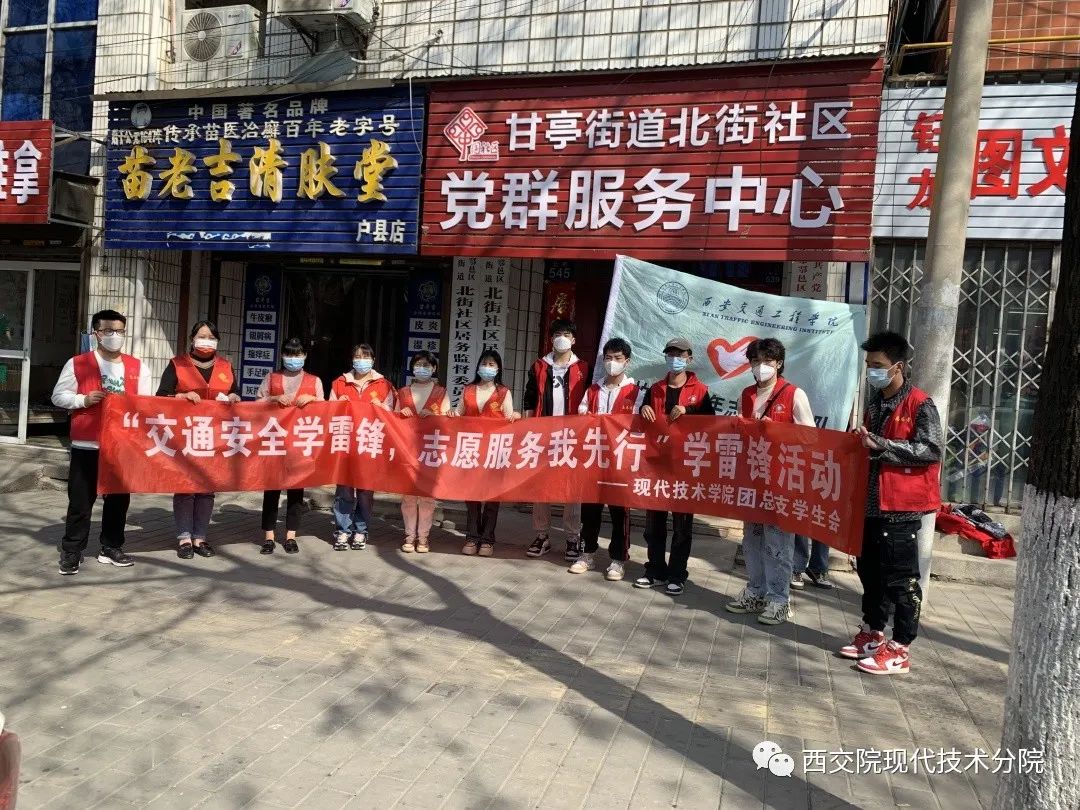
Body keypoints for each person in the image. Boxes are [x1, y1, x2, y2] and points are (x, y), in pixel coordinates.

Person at [841, 331, 942, 675]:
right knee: (871, 574)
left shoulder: (920, 404)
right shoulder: (875, 403)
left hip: (901, 508)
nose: (872, 371)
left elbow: (931, 449)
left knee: (901, 580)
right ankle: (873, 633)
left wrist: (883, 445)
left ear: (898, 367)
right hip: (871, 506)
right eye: (869, 364)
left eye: (878, 365)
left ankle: (900, 649)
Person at [52, 309, 153, 575]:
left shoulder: (138, 367)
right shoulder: (78, 363)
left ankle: (111, 546)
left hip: (122, 446)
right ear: (96, 333)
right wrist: (82, 400)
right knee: (80, 502)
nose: (114, 335)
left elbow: (146, 405)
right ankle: (72, 551)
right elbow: (58, 396)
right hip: (88, 444)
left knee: (118, 501)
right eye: (108, 330)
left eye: (119, 331)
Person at [724, 338, 816, 625]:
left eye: (767, 361)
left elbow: (811, 438)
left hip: (782, 481)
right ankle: (755, 590)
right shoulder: (747, 394)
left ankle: (779, 599)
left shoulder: (793, 394)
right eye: (755, 361)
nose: (761, 366)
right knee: (752, 538)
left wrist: (778, 432)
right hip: (754, 478)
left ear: (779, 363)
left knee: (779, 542)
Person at [636, 337, 714, 596]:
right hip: (657, 465)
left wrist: (689, 411)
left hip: (685, 468)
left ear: (689, 358)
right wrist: (644, 409)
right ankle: (655, 570)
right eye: (670, 354)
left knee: (681, 527)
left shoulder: (700, 390)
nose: (675, 359)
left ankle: (677, 575)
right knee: (653, 524)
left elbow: (711, 425)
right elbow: (643, 417)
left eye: (680, 355)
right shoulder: (655, 388)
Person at [157, 321, 240, 560]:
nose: (206, 340)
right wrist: (180, 396)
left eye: (211, 337)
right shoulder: (177, 364)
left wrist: (234, 397)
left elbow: (233, 392)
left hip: (215, 437)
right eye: (202, 336)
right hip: (185, 436)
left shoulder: (225, 366)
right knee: (185, 487)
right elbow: (160, 396)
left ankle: (200, 537)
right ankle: (184, 538)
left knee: (207, 489)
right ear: (192, 339)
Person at [571, 337, 643, 581]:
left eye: (618, 358)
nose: (613, 363)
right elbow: (581, 416)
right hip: (594, 459)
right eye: (609, 358)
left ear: (627, 361)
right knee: (590, 510)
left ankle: (618, 559)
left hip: (620, 462)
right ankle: (587, 553)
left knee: (619, 513)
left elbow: (637, 425)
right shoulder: (593, 390)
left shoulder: (635, 392)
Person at [522, 319, 589, 560]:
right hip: (544, 436)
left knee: (573, 489)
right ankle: (542, 535)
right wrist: (528, 429)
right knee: (541, 487)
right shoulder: (539, 366)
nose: (562, 338)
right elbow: (529, 398)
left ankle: (572, 537)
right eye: (558, 334)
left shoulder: (584, 368)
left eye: (567, 334)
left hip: (573, 437)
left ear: (573, 339)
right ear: (551, 339)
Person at [258, 338, 324, 555]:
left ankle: (290, 536)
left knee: (296, 491)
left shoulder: (314, 381)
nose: (293, 358)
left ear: (305, 356)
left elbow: (325, 409)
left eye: (297, 354)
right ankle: (269, 536)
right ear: (282, 356)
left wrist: (312, 400)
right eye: (289, 354)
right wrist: (275, 398)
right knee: (271, 490)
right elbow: (256, 403)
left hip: (300, 442)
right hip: (275, 441)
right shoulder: (272, 378)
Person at [453, 350, 520, 556]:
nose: (487, 367)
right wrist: (451, 414)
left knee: (492, 496)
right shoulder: (468, 390)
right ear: (478, 366)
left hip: (495, 450)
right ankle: (472, 537)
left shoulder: (503, 392)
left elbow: (509, 417)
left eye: (492, 364)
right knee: (472, 495)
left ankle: (488, 539)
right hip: (471, 448)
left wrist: (516, 416)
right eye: (484, 363)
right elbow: (458, 413)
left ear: (498, 368)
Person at [329, 344, 394, 550]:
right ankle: (342, 530)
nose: (361, 360)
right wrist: (337, 405)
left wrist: (382, 408)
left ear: (373, 360)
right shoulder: (340, 383)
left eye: (366, 357)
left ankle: (360, 530)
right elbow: (328, 412)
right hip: (346, 444)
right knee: (344, 491)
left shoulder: (384, 385)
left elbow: (393, 415)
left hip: (369, 444)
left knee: (365, 491)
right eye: (357, 356)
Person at [396, 351, 452, 554]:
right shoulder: (403, 392)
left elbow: (448, 420)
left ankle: (423, 538)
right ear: (412, 367)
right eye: (418, 364)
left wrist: (435, 414)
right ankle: (409, 536)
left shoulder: (441, 392)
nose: (422, 369)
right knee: (409, 497)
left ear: (434, 368)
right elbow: (392, 420)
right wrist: (400, 414)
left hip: (430, 451)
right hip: (408, 450)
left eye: (426, 365)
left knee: (427, 497)